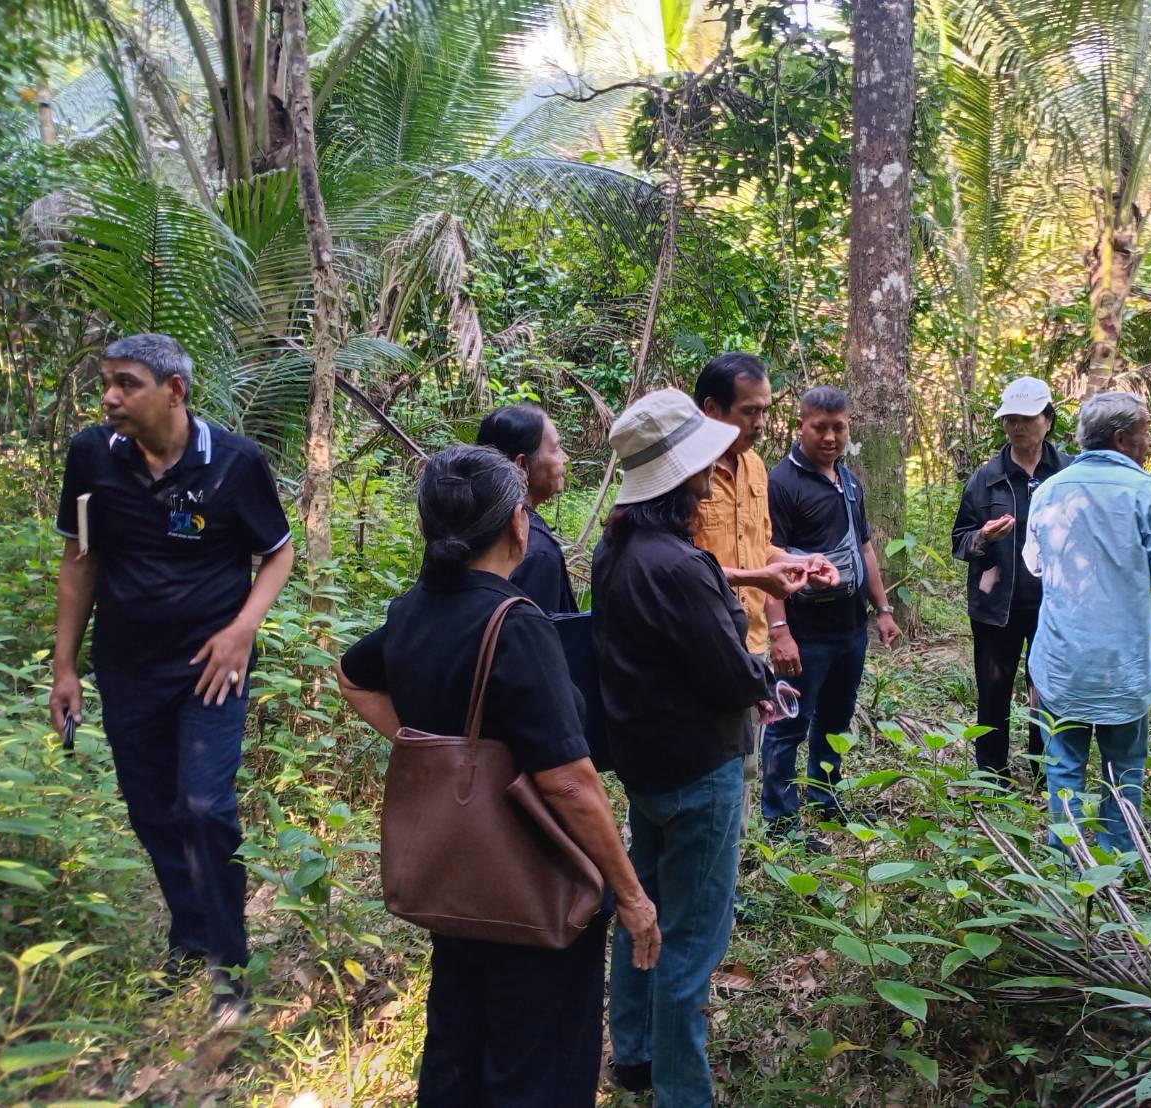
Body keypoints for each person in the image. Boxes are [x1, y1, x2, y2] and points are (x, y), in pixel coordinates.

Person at [337, 444, 660, 1107]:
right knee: (536, 1064)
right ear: (518, 522)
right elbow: (567, 782)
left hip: (453, 880)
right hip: (533, 889)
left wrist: (422, 744)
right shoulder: (513, 625)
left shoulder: (411, 612)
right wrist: (630, 895)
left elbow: (351, 675)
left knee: (458, 1044)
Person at [48, 333, 295, 1025]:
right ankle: (189, 941)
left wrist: (242, 630)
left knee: (205, 810)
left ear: (174, 390)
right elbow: (80, 559)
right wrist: (64, 666)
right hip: (126, 668)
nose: (109, 397)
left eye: (126, 383)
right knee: (153, 812)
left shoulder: (235, 463)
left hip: (209, 670)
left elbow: (276, 554)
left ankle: (228, 969)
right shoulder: (94, 455)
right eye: (107, 381)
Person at [592, 388, 777, 1107]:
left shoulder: (618, 554)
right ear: (679, 474)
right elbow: (729, 673)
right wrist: (762, 670)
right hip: (701, 770)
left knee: (642, 913)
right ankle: (682, 1092)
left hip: (646, 766)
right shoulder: (680, 565)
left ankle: (633, 1056)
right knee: (691, 939)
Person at [1023, 392, 1151, 856]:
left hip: (1064, 656)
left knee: (1064, 764)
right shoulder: (1148, 493)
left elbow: (1034, 564)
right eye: (1145, 432)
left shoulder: (1051, 490)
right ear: (1121, 438)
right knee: (1125, 767)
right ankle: (1117, 859)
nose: (1148, 441)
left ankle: (1066, 860)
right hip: (1123, 659)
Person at [690, 353, 838, 836]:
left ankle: (727, 880)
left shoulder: (755, 468)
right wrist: (759, 579)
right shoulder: (684, 470)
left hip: (747, 642)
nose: (759, 423)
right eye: (748, 411)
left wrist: (796, 562)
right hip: (698, 642)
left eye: (765, 410)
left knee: (743, 764)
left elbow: (759, 547)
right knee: (694, 770)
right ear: (713, 408)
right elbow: (678, 567)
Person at [763, 385, 901, 842]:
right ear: (799, 425)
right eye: (819, 427)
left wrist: (882, 609)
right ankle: (781, 821)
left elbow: (865, 549)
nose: (829, 436)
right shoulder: (780, 483)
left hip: (850, 628)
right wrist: (779, 632)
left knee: (835, 720)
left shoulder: (850, 481)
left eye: (838, 427)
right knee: (789, 725)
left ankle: (825, 800)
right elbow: (770, 560)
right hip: (804, 632)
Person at [951, 376, 1072, 780]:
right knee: (993, 690)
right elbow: (960, 540)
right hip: (996, 605)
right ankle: (991, 774)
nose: (1018, 426)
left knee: (1048, 689)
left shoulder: (1068, 474)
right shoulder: (986, 478)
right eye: (1010, 419)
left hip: (1053, 604)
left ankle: (1044, 770)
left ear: (1048, 421)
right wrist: (983, 537)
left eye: (1027, 418)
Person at [477, 403, 576, 612]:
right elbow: (538, 638)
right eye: (556, 448)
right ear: (522, 465)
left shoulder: (460, 526)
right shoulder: (533, 550)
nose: (565, 458)